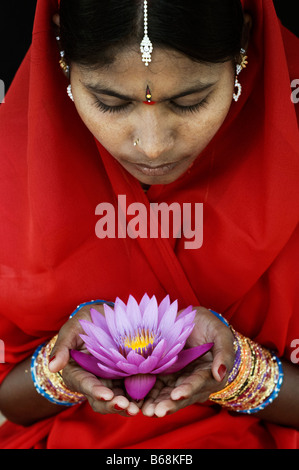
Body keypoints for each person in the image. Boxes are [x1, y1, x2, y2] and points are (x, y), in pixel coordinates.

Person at [0, 0, 298, 449]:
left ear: (242, 45)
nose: (153, 146)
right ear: (60, 49)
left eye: (190, 101)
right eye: (111, 102)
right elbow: (12, 403)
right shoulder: (14, 167)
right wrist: (68, 364)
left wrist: (237, 368)